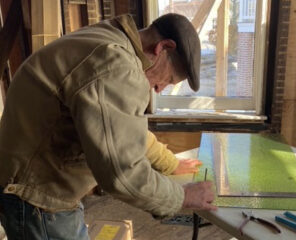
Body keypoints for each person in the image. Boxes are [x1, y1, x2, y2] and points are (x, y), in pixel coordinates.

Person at [0, 13, 216, 239]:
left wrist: (169, 162)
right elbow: (122, 173)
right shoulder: (117, 66)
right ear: (164, 47)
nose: (160, 88)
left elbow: (121, 129)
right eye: (169, 79)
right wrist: (182, 196)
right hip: (37, 199)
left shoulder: (108, 39)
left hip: (36, 189)